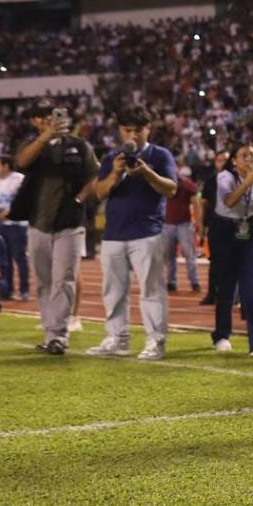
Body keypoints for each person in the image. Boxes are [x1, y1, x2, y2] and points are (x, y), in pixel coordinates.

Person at [86, 108, 178, 361]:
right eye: (128, 130)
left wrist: (146, 172)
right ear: (120, 131)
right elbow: (99, 193)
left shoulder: (160, 155)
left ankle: (156, 341)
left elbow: (171, 189)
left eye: (138, 130)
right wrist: (116, 172)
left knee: (151, 290)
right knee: (113, 291)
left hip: (147, 231)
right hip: (114, 233)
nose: (133, 135)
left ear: (148, 128)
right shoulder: (112, 157)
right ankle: (117, 339)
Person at [14, 102, 98, 355]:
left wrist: (79, 200)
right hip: (38, 222)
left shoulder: (80, 145)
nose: (47, 120)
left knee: (64, 279)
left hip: (69, 223)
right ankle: (50, 331)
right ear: (35, 122)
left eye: (51, 116)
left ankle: (58, 337)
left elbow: (94, 176)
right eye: (41, 118)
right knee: (43, 281)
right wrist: (46, 138)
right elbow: (21, 161)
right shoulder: (34, 146)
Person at [210, 143, 253, 356]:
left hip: (249, 229)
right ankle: (222, 334)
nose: (249, 159)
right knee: (227, 284)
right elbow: (230, 201)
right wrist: (249, 181)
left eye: (252, 155)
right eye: (243, 155)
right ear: (234, 160)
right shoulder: (225, 177)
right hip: (224, 229)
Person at [0, 156, 29, 301]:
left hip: (18, 225)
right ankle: (7, 290)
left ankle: (24, 290)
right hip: (1, 226)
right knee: (4, 259)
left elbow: (21, 201)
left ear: (6, 166)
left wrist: (1, 216)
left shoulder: (19, 179)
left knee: (20, 257)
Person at [163, 164, 202, 293]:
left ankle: (194, 281)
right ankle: (171, 282)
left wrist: (197, 221)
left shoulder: (187, 185)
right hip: (167, 224)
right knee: (169, 256)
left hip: (184, 224)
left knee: (189, 255)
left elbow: (196, 203)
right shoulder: (162, 184)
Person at [197, 150, 229, 306]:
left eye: (225, 160)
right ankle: (212, 293)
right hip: (216, 225)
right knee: (215, 262)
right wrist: (202, 226)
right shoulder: (210, 181)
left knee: (234, 261)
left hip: (234, 225)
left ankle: (233, 295)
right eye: (219, 160)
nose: (222, 163)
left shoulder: (239, 180)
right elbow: (203, 204)